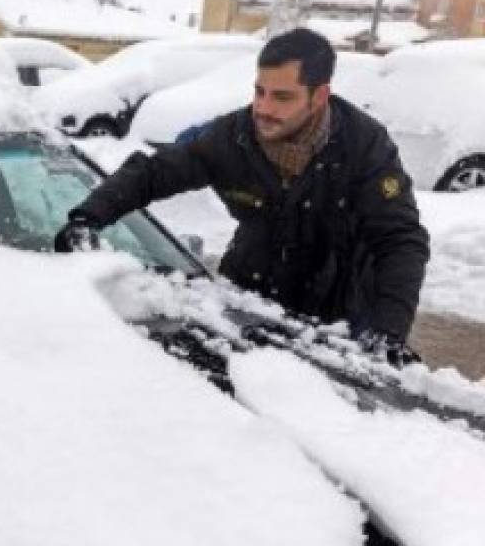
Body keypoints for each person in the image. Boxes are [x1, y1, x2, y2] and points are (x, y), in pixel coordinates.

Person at [54, 28, 430, 359]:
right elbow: (155, 173)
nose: (263, 109)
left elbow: (399, 239)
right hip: (247, 302)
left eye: (282, 97)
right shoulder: (234, 137)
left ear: (319, 97)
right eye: (259, 92)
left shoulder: (364, 147)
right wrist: (89, 216)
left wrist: (389, 331)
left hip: (336, 320)